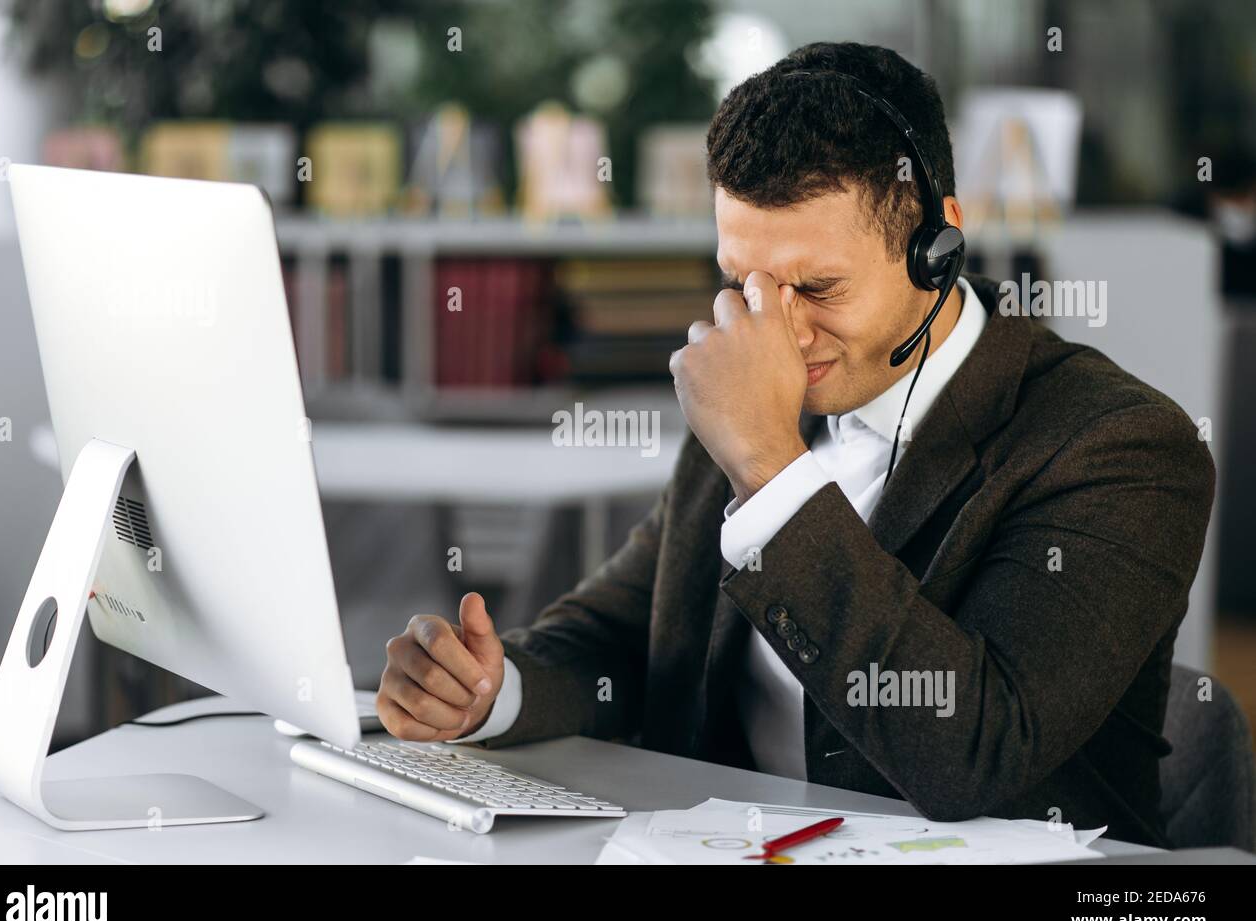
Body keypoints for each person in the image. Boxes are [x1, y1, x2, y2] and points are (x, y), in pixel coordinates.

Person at [375, 41, 1214, 847]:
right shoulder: (753, 385)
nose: (778, 330)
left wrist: (770, 467)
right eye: (745, 281)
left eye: (819, 287)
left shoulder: (1121, 449)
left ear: (938, 245)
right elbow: (626, 641)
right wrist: (490, 691)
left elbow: (973, 753)